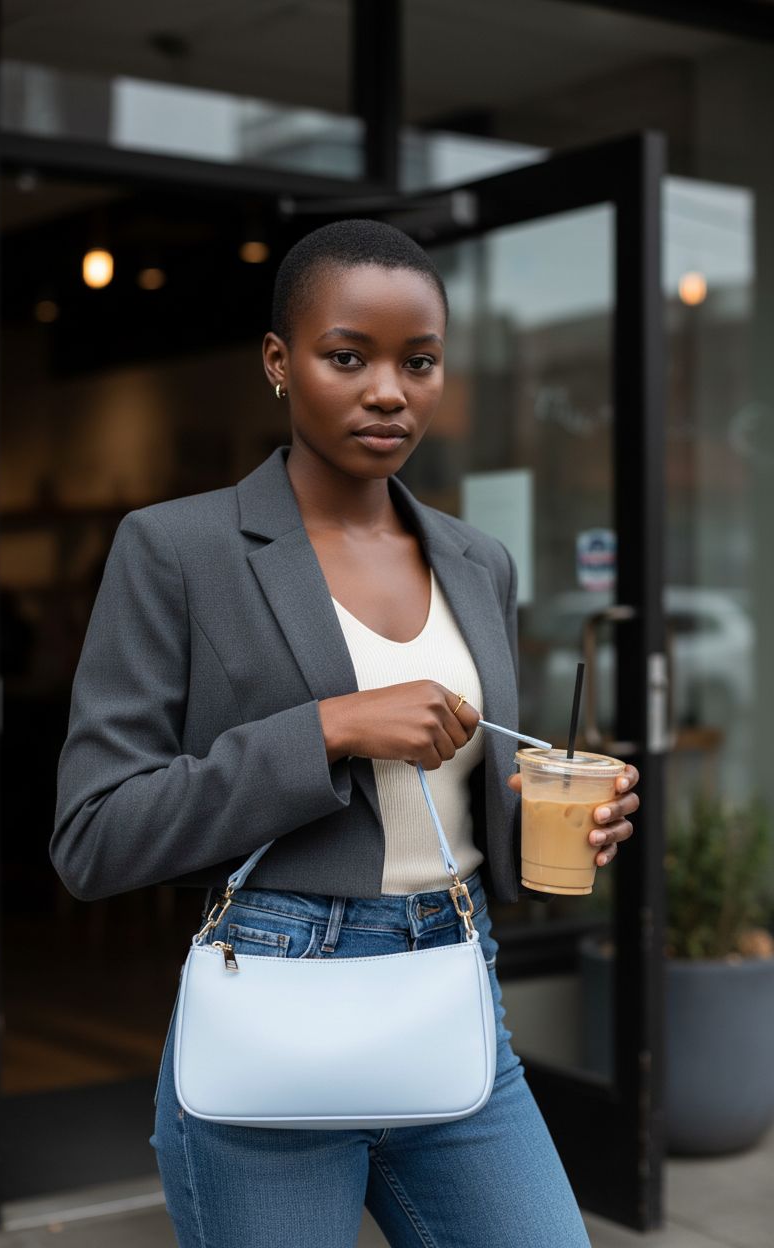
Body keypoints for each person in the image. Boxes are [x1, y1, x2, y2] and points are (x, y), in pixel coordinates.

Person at [51, 219, 639, 1247]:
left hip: (454, 994)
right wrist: (324, 729)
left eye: (419, 362)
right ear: (278, 363)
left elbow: (455, 810)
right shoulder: (178, 550)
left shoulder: (476, 562)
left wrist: (553, 820)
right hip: (273, 1006)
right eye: (346, 356)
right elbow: (93, 836)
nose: (388, 390)